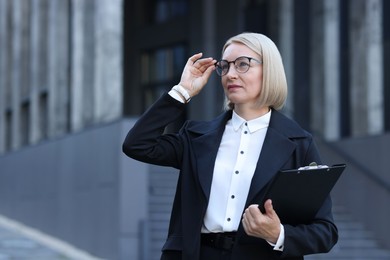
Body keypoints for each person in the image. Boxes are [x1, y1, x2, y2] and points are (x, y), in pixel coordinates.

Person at [122, 32, 338, 260]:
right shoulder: (196, 137)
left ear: (269, 70)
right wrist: (183, 91)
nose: (230, 74)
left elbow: (325, 231)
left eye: (243, 64)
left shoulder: (299, 143)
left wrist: (278, 233)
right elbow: (137, 144)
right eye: (224, 67)